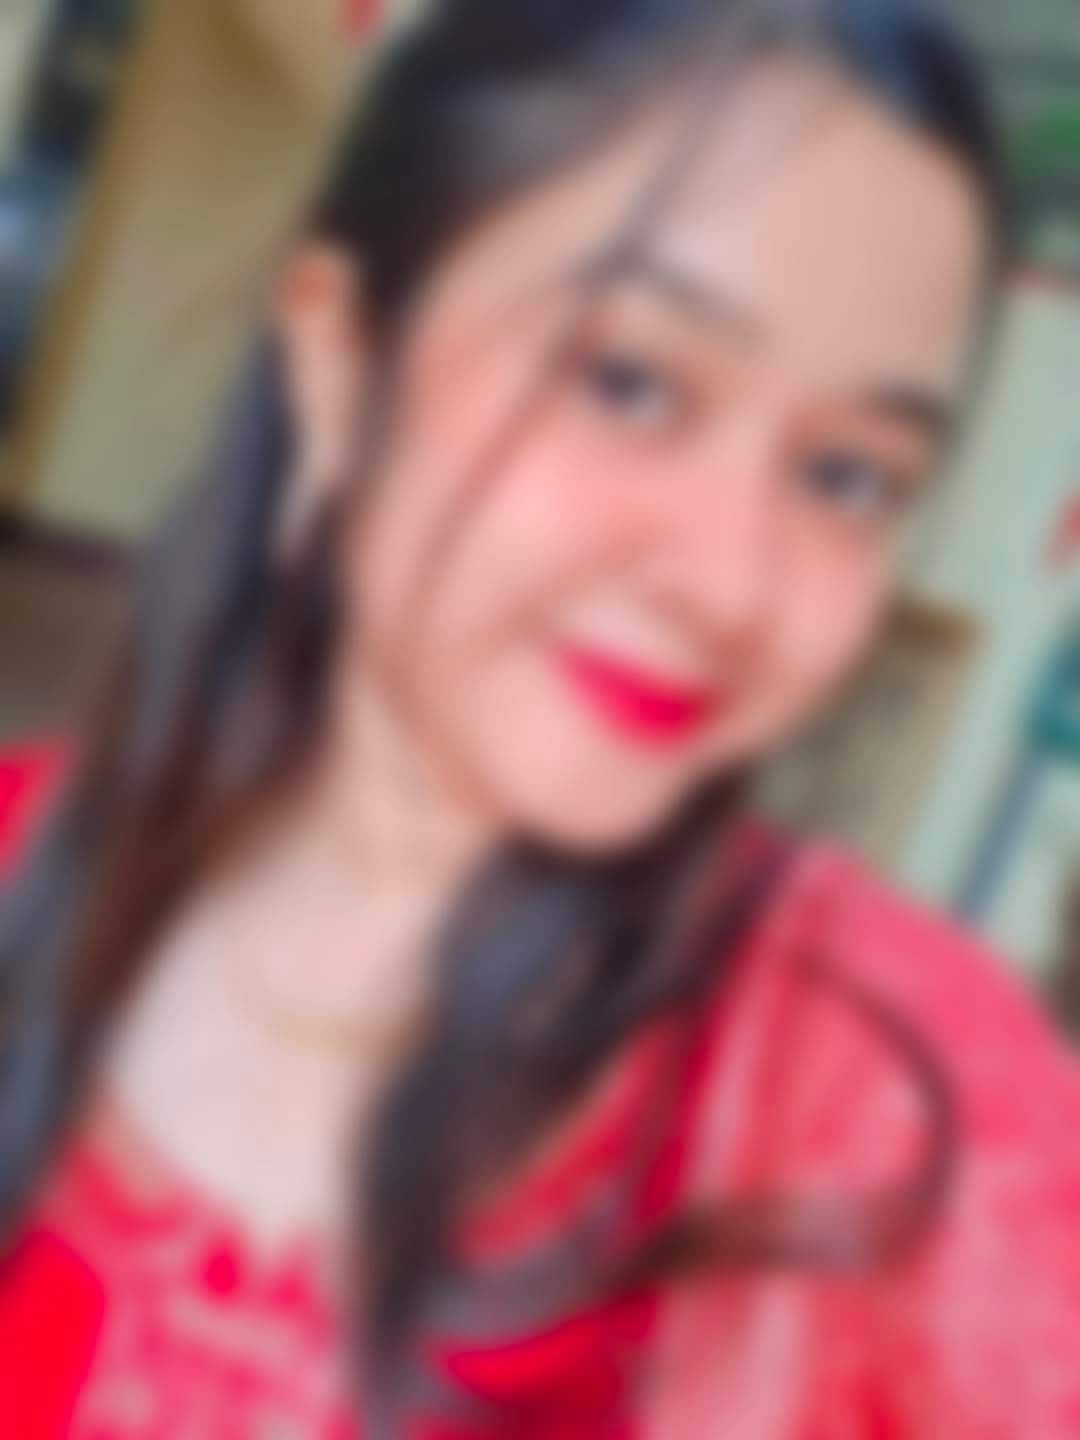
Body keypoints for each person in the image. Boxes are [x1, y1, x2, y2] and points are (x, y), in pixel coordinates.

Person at [2, 1, 1079, 1435]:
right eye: (629, 381)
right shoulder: (22, 857)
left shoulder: (912, 1108)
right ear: (339, 360)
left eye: (848, 477)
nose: (730, 585)